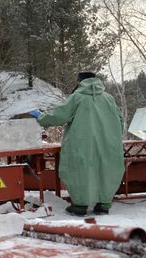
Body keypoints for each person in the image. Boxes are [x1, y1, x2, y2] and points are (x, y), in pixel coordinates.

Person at [29, 72, 124, 216]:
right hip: (108, 143)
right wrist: (112, 135)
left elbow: (59, 116)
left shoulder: (78, 97)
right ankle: (104, 204)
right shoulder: (108, 98)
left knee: (79, 171)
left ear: (80, 82)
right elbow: (120, 120)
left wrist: (41, 117)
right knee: (106, 169)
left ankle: (80, 205)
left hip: (81, 143)